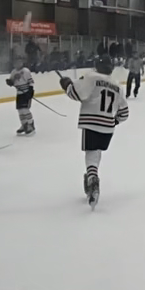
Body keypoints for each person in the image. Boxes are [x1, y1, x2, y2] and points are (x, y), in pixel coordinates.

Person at [60, 55, 130, 208]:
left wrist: (67, 85)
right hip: (107, 129)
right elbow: (124, 113)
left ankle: (92, 179)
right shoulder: (117, 86)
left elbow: (77, 94)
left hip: (91, 123)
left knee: (91, 152)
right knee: (96, 152)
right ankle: (92, 175)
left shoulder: (91, 77)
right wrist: (113, 121)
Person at [7, 60, 35, 136]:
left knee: (25, 109)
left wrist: (30, 91)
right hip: (19, 93)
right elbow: (12, 81)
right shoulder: (13, 72)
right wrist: (10, 82)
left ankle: (30, 124)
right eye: (15, 63)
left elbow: (31, 82)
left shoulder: (26, 71)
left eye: (19, 62)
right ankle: (24, 124)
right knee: (20, 110)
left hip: (26, 93)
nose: (17, 64)